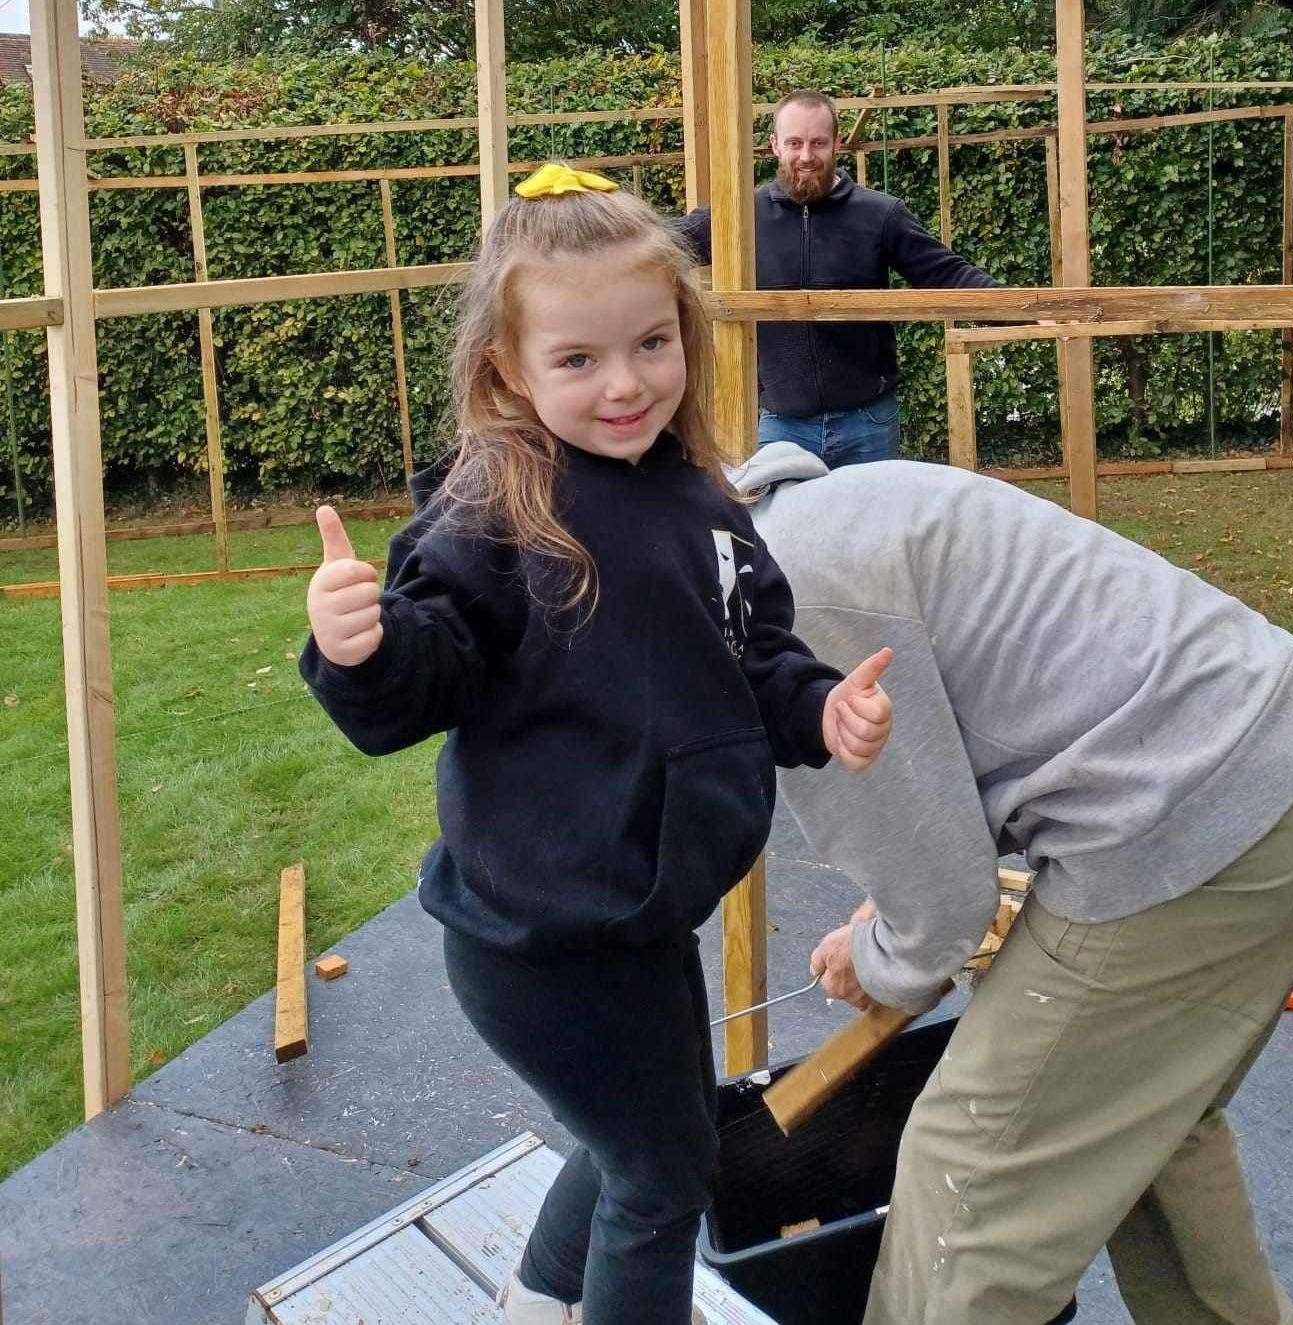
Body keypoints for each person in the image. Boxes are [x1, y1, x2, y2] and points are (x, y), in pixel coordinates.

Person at [300, 167, 894, 1325]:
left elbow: (756, 652)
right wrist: (357, 647)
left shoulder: (703, 500)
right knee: (663, 1171)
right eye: (578, 360)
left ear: (686, 338)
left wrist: (819, 707)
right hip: (541, 941)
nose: (626, 383)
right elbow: (418, 680)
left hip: (644, 912)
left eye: (652, 344)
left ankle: (536, 1302)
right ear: (507, 370)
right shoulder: (498, 509)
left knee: (646, 1132)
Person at [734, 442, 1293, 1324]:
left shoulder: (782, 617)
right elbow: (957, 788)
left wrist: (877, 960)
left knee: (968, 1180)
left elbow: (943, 914)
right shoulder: (807, 517)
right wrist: (903, 905)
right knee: (1145, 1126)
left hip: (1195, 830)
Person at [678, 89, 998, 467]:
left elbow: (946, 273)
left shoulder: (880, 214)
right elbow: (661, 244)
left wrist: (1023, 309)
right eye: (794, 143)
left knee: (874, 525)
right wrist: (599, 217)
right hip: (782, 424)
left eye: (819, 143)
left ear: (838, 144)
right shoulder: (741, 215)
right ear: (774, 146)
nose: (806, 156)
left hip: (867, 421)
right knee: (785, 527)